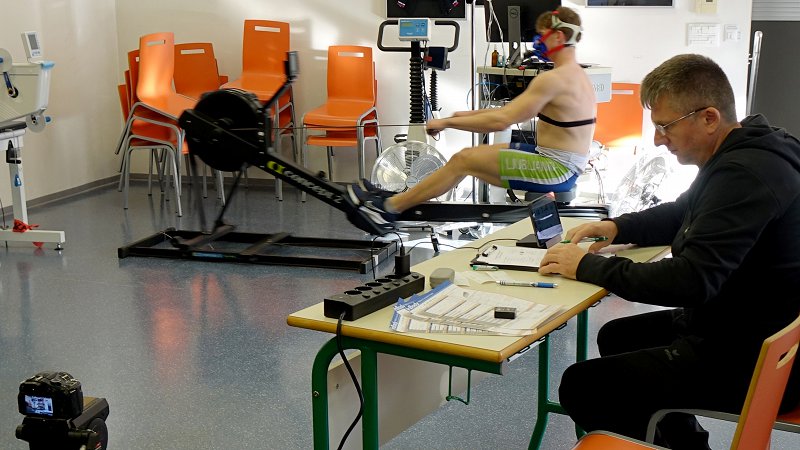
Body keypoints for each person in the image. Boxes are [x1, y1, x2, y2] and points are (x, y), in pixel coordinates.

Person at [538, 53, 800, 449]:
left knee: (584, 385)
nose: (658, 139)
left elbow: (689, 281)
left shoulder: (743, 175)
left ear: (709, 118)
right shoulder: (750, 147)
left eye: (665, 126)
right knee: (618, 336)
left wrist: (586, 266)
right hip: (751, 328)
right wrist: (618, 227)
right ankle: (684, 442)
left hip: (747, 359)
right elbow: (684, 211)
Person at [348, 6, 596, 230]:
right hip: (557, 161)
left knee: (463, 160)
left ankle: (386, 210)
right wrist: (458, 116)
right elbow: (507, 112)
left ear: (558, 37)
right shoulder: (574, 75)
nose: (536, 42)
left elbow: (501, 121)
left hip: (556, 168)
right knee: (467, 159)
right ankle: (390, 199)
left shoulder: (553, 79)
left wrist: (447, 122)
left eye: (541, 35)